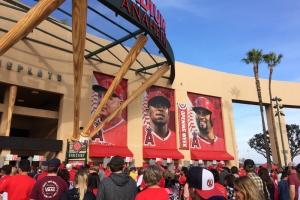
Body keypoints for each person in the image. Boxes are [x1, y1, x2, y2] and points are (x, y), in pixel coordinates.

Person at [90, 79, 126, 146]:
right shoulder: (90, 125)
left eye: (108, 98)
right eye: (99, 96)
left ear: (120, 104)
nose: (101, 101)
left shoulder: (127, 129)